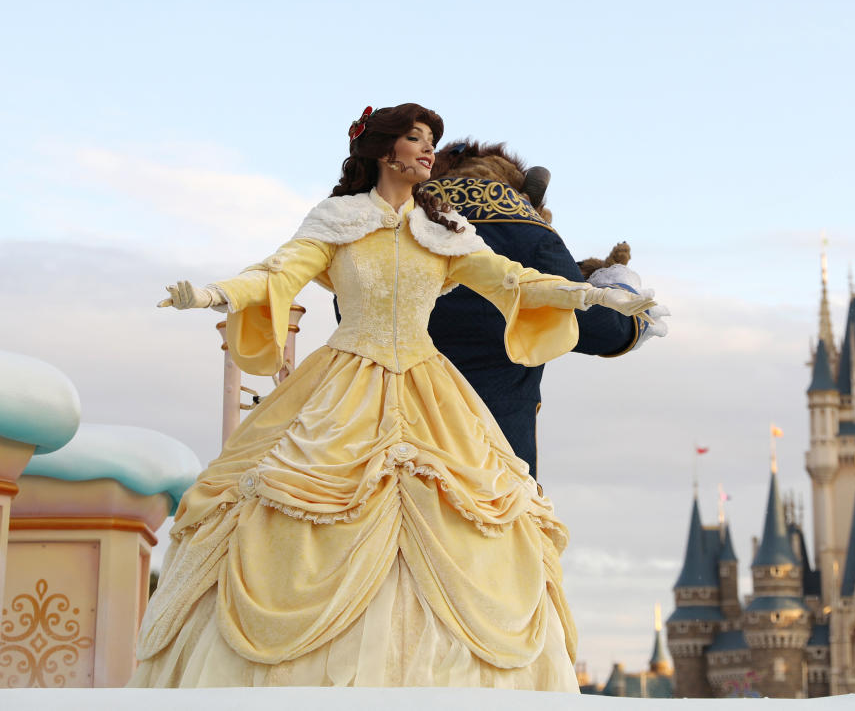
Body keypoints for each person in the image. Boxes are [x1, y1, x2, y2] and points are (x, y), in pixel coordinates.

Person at [132, 103, 656, 689]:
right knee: (302, 506)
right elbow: (278, 275)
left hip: (428, 387)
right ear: (384, 152)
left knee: (469, 512)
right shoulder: (339, 221)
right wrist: (210, 296)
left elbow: (512, 281)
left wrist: (590, 298)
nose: (428, 150)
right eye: (415, 139)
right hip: (346, 385)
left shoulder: (447, 229)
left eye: (431, 139)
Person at [422, 139, 668, 479]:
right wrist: (618, 285)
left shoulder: (393, 222)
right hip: (492, 452)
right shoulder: (520, 223)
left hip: (388, 439)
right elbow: (598, 328)